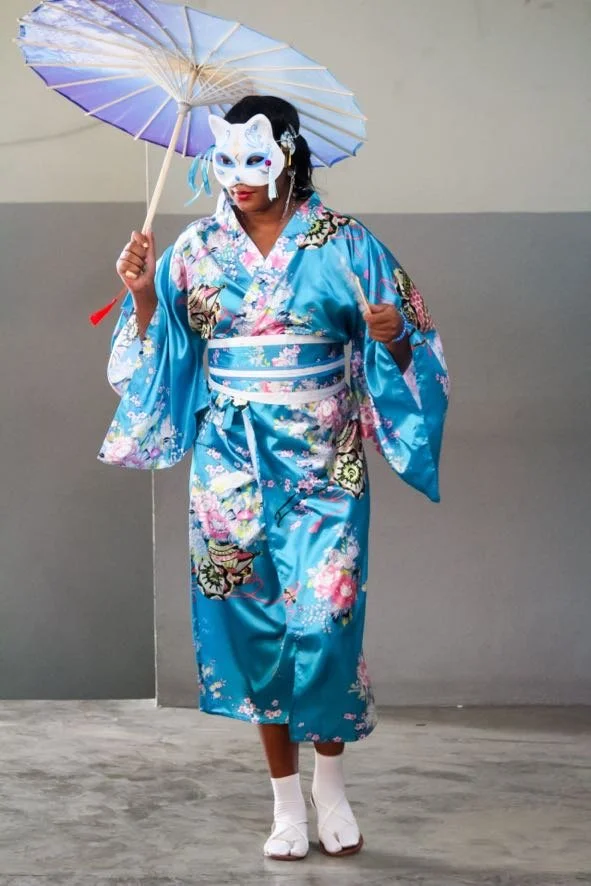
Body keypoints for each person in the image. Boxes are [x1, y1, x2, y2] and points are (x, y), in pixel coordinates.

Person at [99, 95, 449, 861]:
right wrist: (142, 292)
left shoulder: (346, 244)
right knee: (255, 628)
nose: (238, 179)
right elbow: (161, 356)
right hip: (229, 464)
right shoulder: (193, 248)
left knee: (323, 624)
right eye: (223, 162)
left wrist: (390, 339)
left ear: (288, 154)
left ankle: (330, 786)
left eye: (255, 161)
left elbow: (414, 341)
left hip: (325, 461)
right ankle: (283, 804)